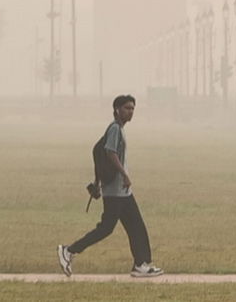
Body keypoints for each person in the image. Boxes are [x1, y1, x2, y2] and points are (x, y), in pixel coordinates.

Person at [58, 95, 163, 278]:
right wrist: (124, 174)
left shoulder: (118, 129)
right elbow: (109, 153)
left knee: (136, 226)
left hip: (122, 192)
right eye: (126, 108)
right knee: (107, 228)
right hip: (116, 192)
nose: (130, 112)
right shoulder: (115, 129)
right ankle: (68, 250)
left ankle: (141, 264)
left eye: (132, 108)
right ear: (117, 110)